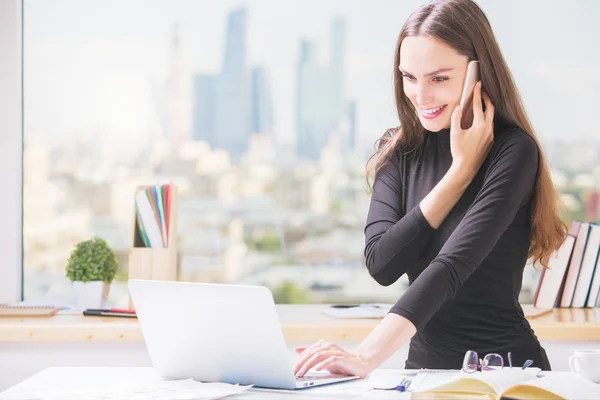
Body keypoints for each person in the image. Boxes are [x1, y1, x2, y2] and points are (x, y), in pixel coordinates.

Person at [294, 0, 568, 378]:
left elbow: (453, 265)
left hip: (506, 374)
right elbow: (382, 263)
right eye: (409, 77)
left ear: (478, 73)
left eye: (438, 78)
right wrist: (459, 172)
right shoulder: (398, 150)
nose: (420, 96)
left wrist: (366, 355)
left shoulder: (514, 151)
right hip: (422, 375)